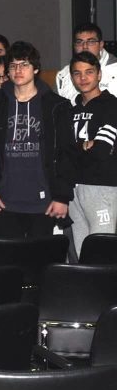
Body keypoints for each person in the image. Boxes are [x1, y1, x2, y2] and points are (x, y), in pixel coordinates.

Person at [0, 41, 69, 240]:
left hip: (44, 201)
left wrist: (62, 196)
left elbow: (66, 153)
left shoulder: (55, 106)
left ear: (36, 69)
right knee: (8, 257)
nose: (18, 70)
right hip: (5, 201)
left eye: (24, 64)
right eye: (13, 65)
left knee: (40, 256)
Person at [58, 51, 117, 256]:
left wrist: (77, 147)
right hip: (74, 189)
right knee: (82, 251)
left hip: (102, 186)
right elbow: (63, 150)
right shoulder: (69, 110)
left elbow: (101, 150)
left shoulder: (112, 106)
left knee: (102, 250)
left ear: (99, 75)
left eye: (89, 72)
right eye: (77, 73)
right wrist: (84, 145)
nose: (83, 78)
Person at [56, 22, 117, 104]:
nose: (85, 47)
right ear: (74, 46)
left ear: (101, 45)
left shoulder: (114, 69)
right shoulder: (63, 75)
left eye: (91, 42)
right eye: (79, 42)